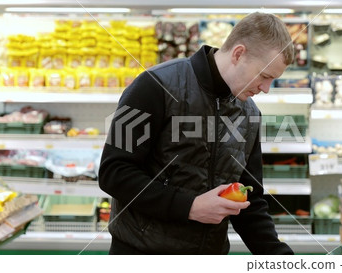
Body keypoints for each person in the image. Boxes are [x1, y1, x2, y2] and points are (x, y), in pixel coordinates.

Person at [99, 12, 295, 255]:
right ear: (238, 54)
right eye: (264, 76)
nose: (266, 89)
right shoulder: (153, 85)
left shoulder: (250, 114)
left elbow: (250, 201)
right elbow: (113, 172)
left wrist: (282, 261)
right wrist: (189, 206)